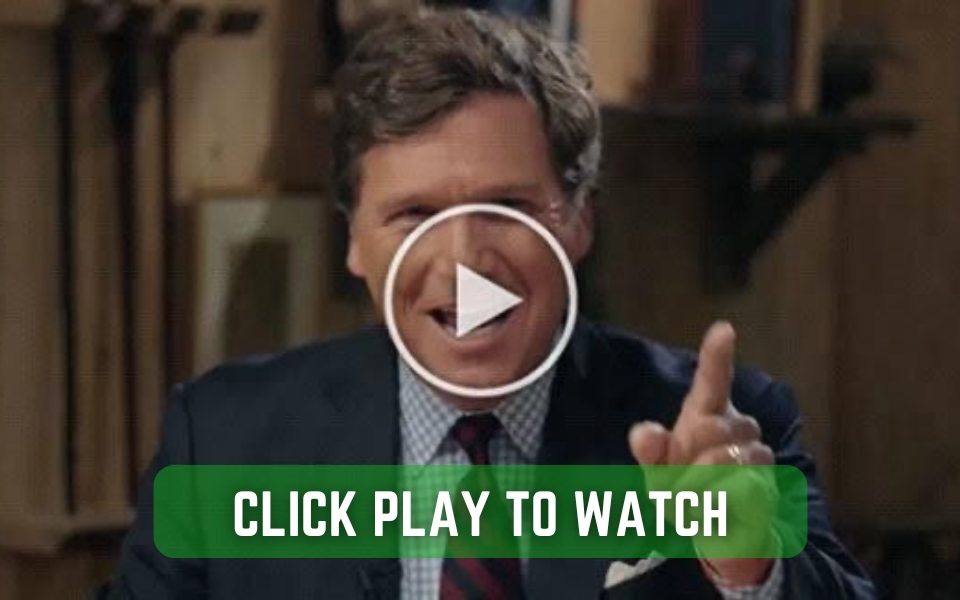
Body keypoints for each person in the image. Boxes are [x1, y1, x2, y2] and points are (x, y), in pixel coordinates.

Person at [106, 8, 874, 599]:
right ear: (354, 241)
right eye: (414, 216)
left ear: (578, 222)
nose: (465, 263)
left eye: (507, 208)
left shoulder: (733, 425)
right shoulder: (224, 441)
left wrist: (749, 566)